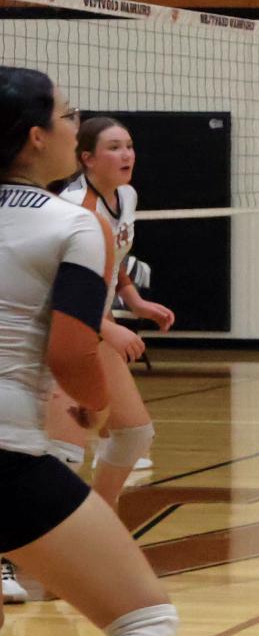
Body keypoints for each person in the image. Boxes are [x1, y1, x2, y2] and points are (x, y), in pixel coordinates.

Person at [0, 67, 193, 636]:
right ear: (38, 138)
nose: (80, 128)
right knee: (143, 619)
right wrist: (88, 408)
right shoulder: (74, 223)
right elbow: (74, 351)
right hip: (6, 455)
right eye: (69, 116)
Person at [40, 117, 175, 508]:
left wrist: (133, 300)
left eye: (129, 145)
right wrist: (105, 327)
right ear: (87, 158)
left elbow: (111, 255)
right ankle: (28, 554)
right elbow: (48, 289)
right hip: (60, 330)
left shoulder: (126, 196)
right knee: (61, 455)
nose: (126, 154)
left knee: (134, 434)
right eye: (114, 147)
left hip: (93, 325)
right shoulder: (72, 209)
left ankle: (99, 517)